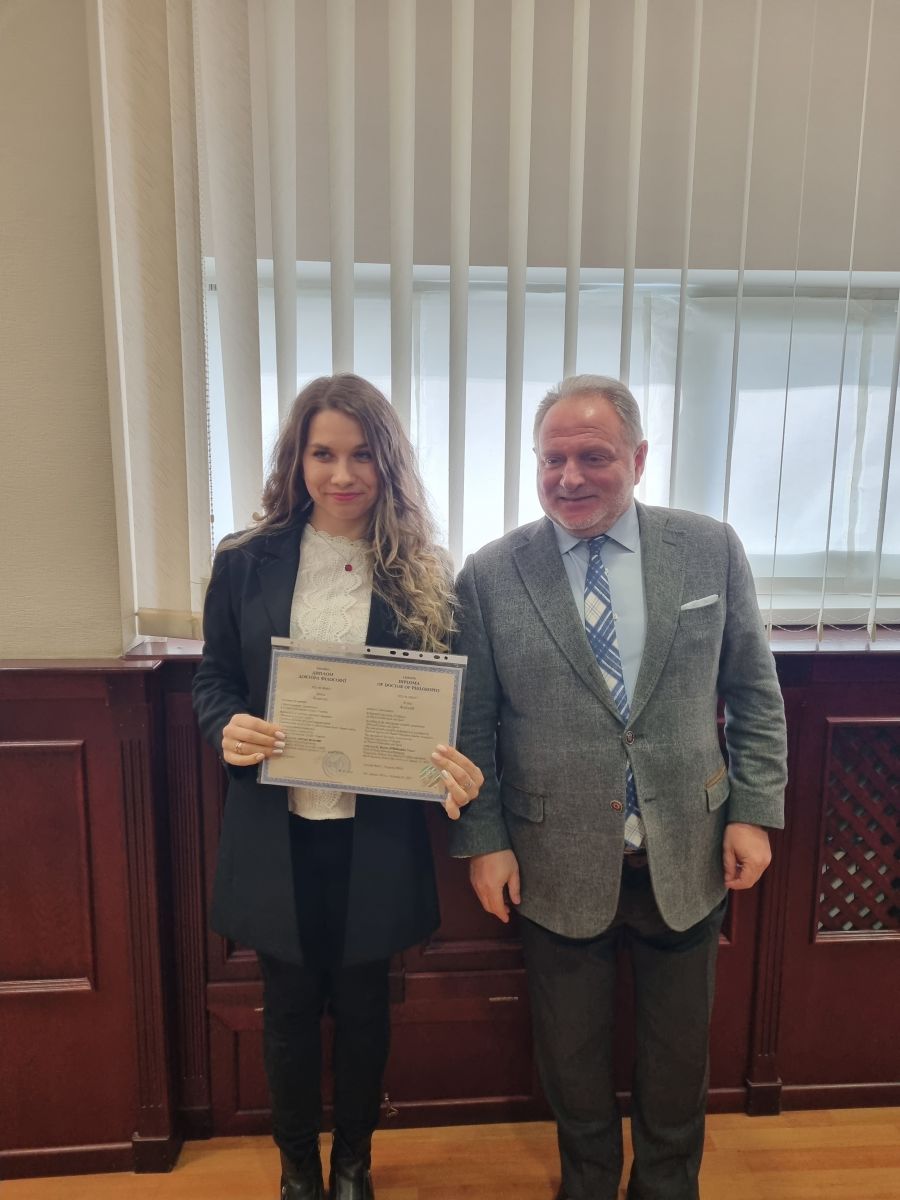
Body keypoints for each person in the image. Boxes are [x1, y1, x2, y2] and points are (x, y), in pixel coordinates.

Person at [449, 375, 787, 1200]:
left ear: (637, 458)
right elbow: (472, 724)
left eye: (593, 457)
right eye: (552, 459)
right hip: (552, 856)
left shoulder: (709, 549)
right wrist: (484, 840)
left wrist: (753, 813)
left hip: (690, 849)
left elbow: (754, 692)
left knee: (678, 1056)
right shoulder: (491, 573)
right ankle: (589, 1185)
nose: (569, 477)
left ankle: (668, 1186)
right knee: (570, 1057)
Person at [193, 374, 483, 1200]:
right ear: (298, 460)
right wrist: (226, 727)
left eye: (361, 455)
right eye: (323, 453)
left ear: (388, 464)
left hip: (375, 831)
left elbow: (447, 701)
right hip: (274, 825)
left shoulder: (424, 571)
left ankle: (353, 1167)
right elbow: (215, 678)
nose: (342, 474)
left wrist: (454, 764)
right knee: (286, 1010)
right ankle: (298, 1175)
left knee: (364, 1009)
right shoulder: (243, 561)